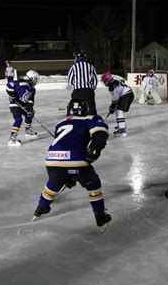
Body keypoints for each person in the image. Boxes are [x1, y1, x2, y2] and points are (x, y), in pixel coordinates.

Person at [32, 98, 112, 230]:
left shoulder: (61, 123)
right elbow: (101, 134)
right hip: (77, 162)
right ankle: (100, 216)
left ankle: (41, 208)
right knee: (94, 185)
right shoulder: (90, 118)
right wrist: (94, 149)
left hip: (52, 161)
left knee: (53, 184)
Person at [6, 70, 40, 146]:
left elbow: (30, 100)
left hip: (23, 105)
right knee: (19, 119)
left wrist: (30, 109)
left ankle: (28, 130)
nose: (36, 81)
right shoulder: (21, 83)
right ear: (31, 78)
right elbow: (9, 86)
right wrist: (12, 95)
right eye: (35, 79)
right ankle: (12, 139)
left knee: (30, 114)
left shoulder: (32, 89)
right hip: (15, 105)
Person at [101, 72, 134, 137]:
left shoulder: (112, 87)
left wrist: (111, 108)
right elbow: (117, 98)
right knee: (117, 110)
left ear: (109, 80)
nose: (104, 83)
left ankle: (122, 129)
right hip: (126, 94)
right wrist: (113, 107)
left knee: (119, 111)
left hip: (127, 95)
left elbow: (115, 100)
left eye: (105, 81)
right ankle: (121, 125)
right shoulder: (115, 82)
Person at [67, 50, 98, 115]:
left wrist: (76, 84)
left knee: (77, 108)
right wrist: (91, 87)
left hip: (77, 91)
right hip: (88, 91)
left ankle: (77, 122)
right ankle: (92, 123)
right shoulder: (91, 66)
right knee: (91, 109)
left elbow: (70, 80)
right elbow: (95, 80)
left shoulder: (74, 66)